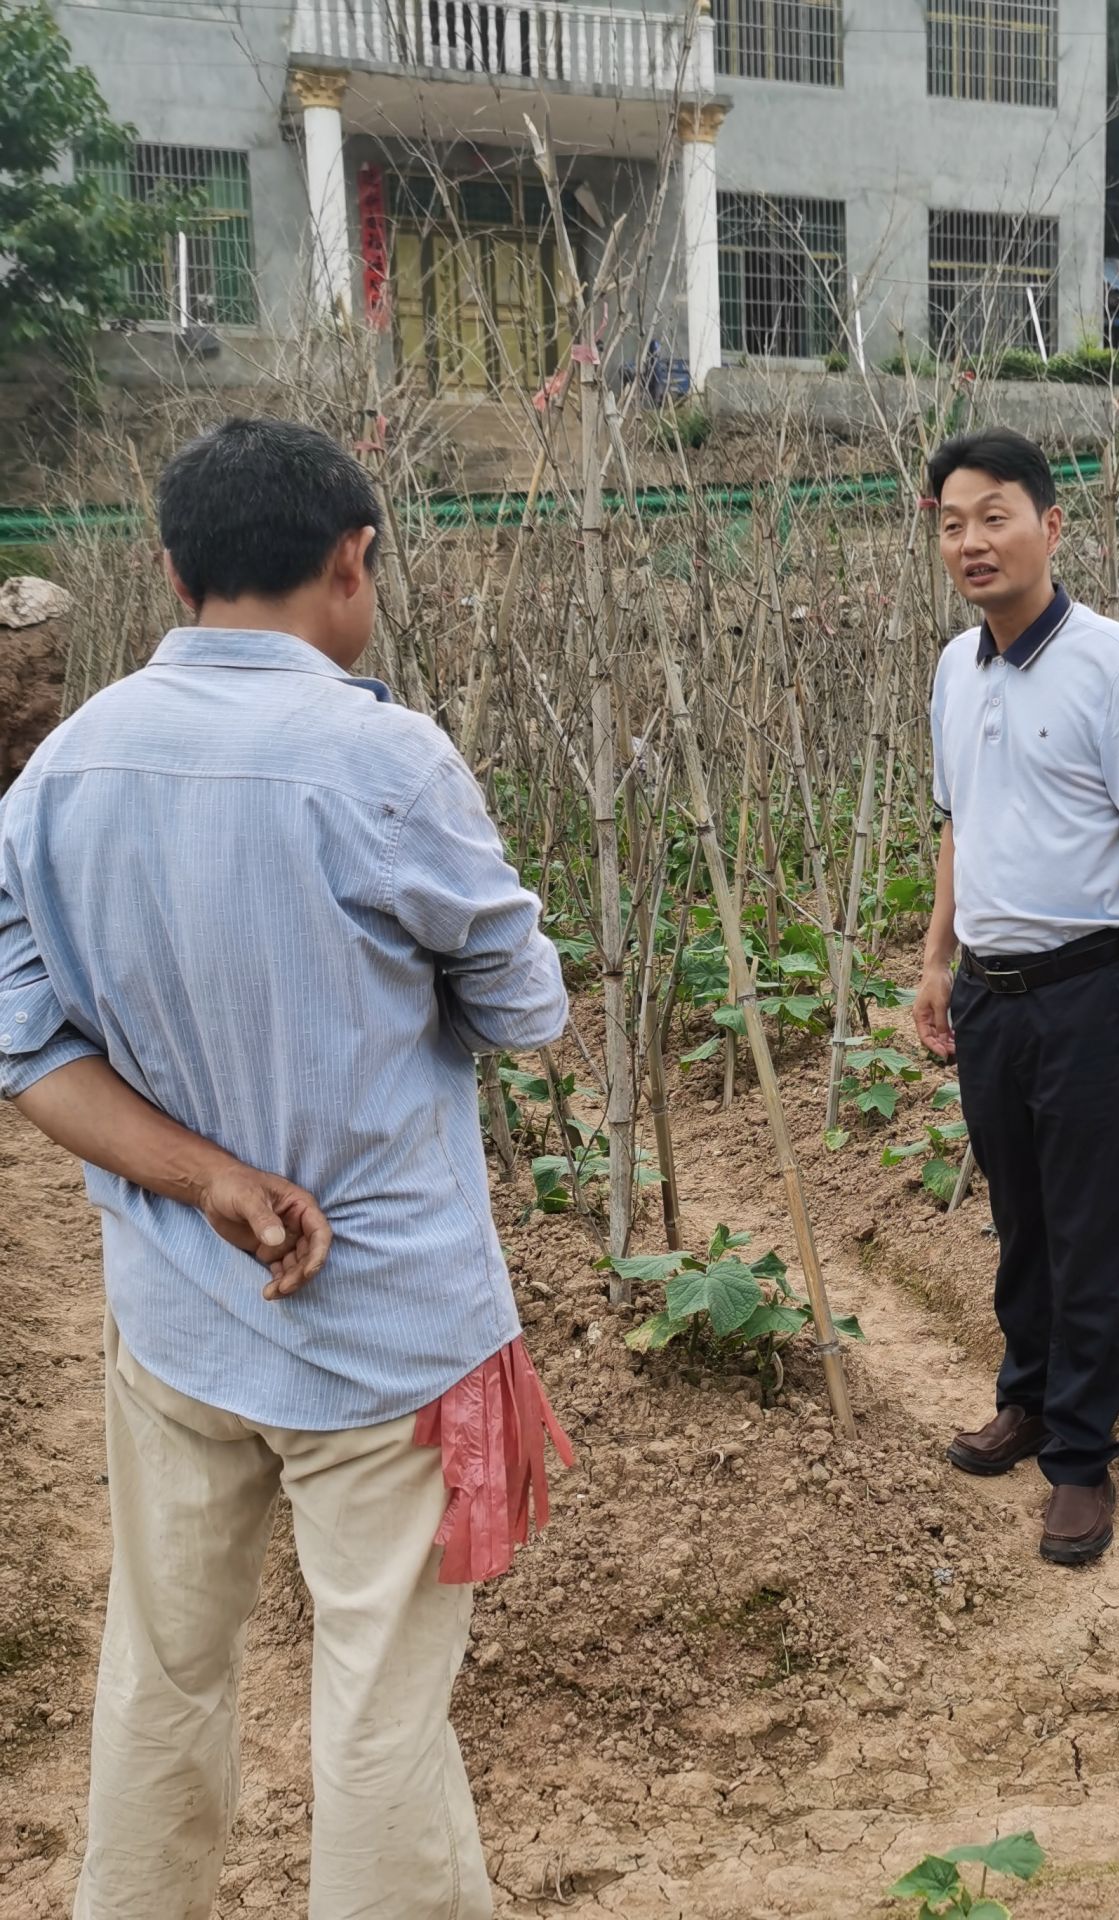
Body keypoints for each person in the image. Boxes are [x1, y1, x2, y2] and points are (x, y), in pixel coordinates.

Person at [0, 417, 572, 1918]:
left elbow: (30, 1048)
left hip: (180, 1319)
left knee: (162, 1667)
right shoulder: (382, 760)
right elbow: (526, 1006)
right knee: (379, 1698)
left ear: (171, 570)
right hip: (385, 1332)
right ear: (353, 560)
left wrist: (203, 1177)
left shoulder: (60, 773)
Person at [911, 427, 1119, 1568]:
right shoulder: (958, 668)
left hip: (1088, 992)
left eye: (994, 515)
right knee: (1022, 1217)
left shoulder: (1115, 661)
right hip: (993, 996)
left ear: (1050, 526)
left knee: (1089, 1229)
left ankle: (1083, 1459)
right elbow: (960, 826)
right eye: (951, 522)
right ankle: (1028, 1396)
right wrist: (938, 957)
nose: (971, 541)